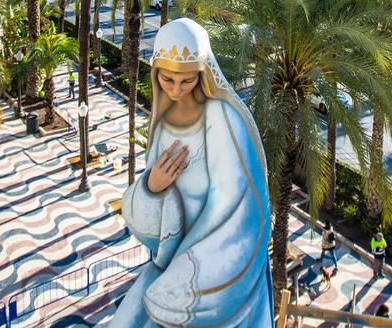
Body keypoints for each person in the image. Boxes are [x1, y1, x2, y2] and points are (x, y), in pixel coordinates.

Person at [109, 18, 273, 326]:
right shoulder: (165, 120)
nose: (175, 90)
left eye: (186, 81)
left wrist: (189, 272)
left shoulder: (222, 117)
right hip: (169, 262)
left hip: (203, 272)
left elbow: (237, 208)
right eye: (167, 80)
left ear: (203, 73)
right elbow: (152, 194)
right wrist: (151, 188)